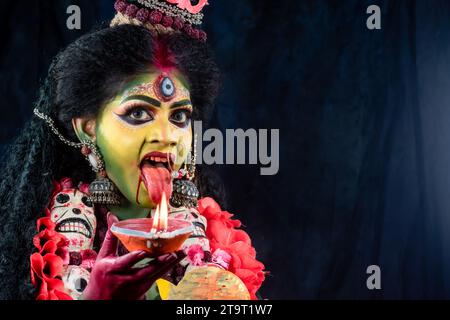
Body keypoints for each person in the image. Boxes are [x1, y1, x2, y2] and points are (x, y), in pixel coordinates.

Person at [0, 0, 265, 300]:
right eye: (138, 113)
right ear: (88, 127)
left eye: (179, 117)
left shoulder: (204, 231)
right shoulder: (55, 228)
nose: (166, 137)